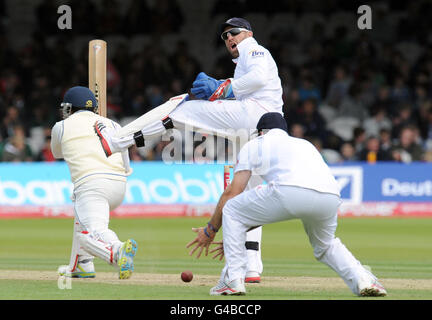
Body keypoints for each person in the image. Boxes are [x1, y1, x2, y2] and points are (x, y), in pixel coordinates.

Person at [94, 17, 284, 283]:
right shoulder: (244, 59)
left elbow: (259, 78)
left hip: (253, 115)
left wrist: (221, 87)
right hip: (262, 127)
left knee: (179, 107)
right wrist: (222, 89)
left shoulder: (254, 49)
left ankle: (116, 142)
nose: (230, 38)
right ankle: (251, 267)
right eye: (225, 36)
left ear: (249, 33)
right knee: (248, 193)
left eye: (235, 32)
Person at [186, 113, 387, 297]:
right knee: (326, 245)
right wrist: (234, 236)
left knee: (231, 210)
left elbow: (233, 192)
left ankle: (232, 280)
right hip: (330, 196)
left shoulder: (255, 144)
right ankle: (365, 280)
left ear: (260, 132)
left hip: (289, 190)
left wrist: (211, 229)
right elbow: (268, 209)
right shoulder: (304, 144)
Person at [51, 86, 138, 280]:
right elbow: (125, 160)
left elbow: (57, 153)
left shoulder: (61, 126)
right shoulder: (113, 124)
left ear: (69, 108)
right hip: (119, 184)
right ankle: (82, 265)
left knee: (89, 233)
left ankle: (117, 251)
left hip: (91, 184)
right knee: (81, 218)